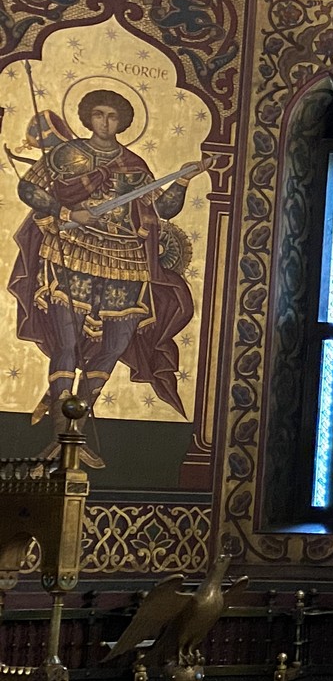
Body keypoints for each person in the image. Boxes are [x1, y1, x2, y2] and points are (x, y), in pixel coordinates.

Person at [9, 89, 210, 461]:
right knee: (67, 342)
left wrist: (184, 179)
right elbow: (28, 187)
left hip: (125, 261)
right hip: (73, 252)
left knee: (115, 345)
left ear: (122, 122)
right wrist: (66, 213)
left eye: (112, 116)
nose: (105, 122)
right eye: (99, 114)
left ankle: (76, 430)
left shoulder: (134, 165)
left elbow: (163, 208)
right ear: (88, 117)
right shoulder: (66, 153)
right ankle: (60, 431)